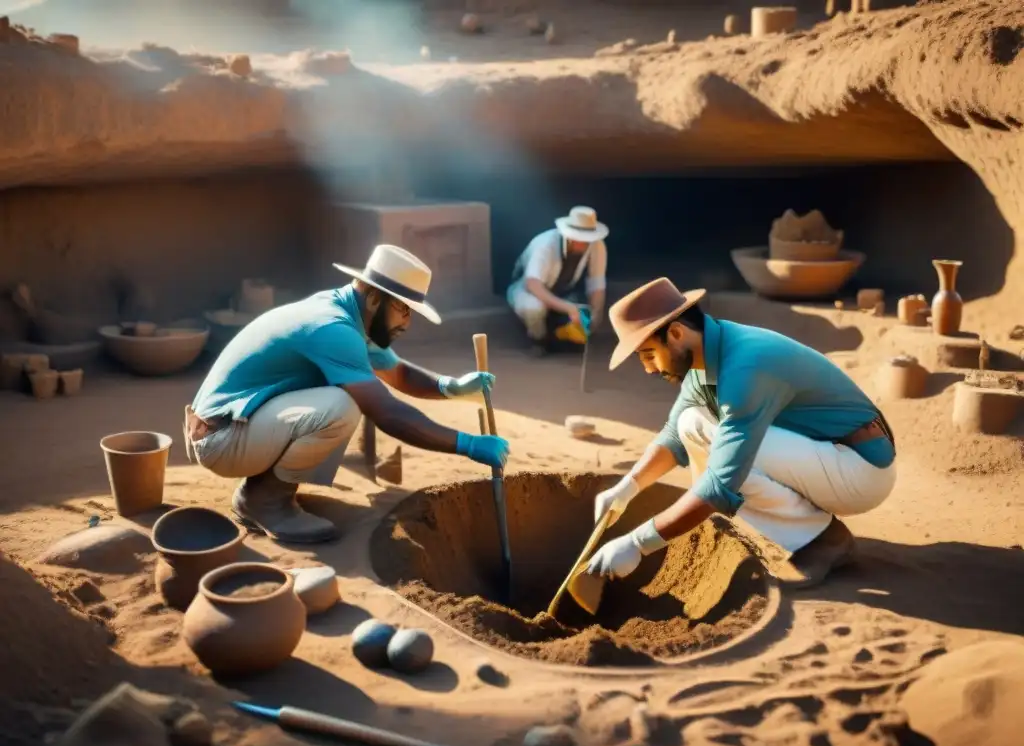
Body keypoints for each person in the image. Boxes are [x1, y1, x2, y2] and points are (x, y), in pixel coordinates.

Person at [183, 244, 509, 544]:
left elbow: (397, 372)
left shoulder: (347, 314)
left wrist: (449, 387)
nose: (407, 323)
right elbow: (388, 413)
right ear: (374, 299)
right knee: (343, 404)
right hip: (220, 441)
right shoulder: (333, 328)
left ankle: (266, 488)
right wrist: (468, 445)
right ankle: (265, 500)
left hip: (232, 427)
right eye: (403, 309)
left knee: (346, 389)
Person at [585, 277, 897, 588]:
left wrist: (638, 543)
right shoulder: (707, 350)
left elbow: (722, 479)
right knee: (692, 423)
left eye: (649, 354)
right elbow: (675, 434)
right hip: (825, 457)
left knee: (726, 455)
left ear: (676, 333)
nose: (649, 369)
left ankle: (823, 540)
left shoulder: (745, 367)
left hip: (860, 470)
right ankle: (803, 529)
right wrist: (627, 487)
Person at [506, 205, 608, 356]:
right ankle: (538, 341)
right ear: (569, 235)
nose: (584, 243)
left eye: (588, 239)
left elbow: (596, 283)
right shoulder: (546, 244)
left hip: (563, 292)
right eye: (580, 238)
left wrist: (595, 314)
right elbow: (532, 284)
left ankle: (561, 337)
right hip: (527, 290)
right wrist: (568, 308)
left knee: (584, 314)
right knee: (534, 308)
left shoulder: (597, 245)